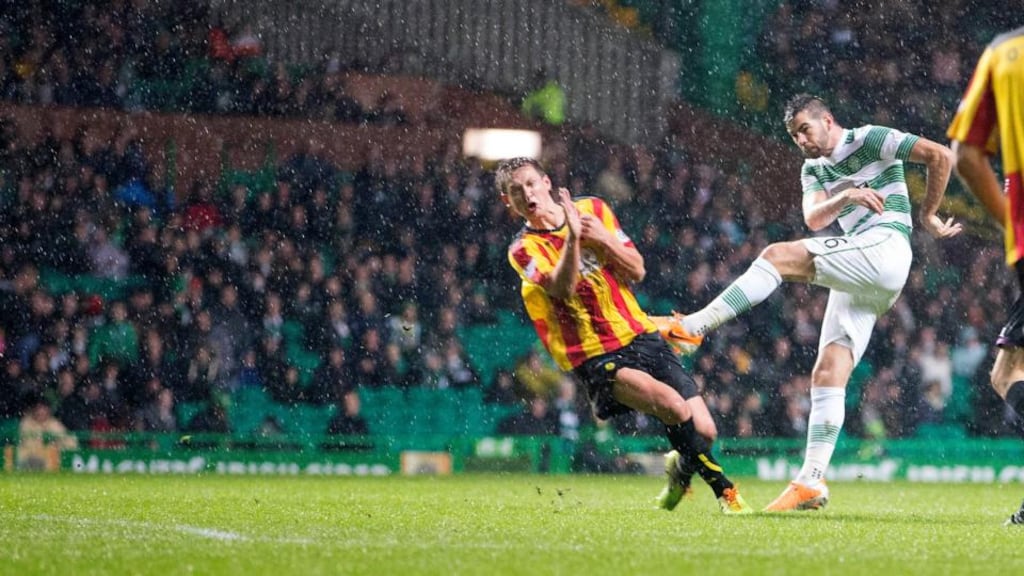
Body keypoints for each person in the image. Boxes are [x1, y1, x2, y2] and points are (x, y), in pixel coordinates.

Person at [655, 94, 961, 511]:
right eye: (793, 134)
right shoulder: (812, 169)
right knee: (828, 371)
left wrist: (928, 215)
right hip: (866, 272)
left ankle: (693, 328)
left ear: (828, 120)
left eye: (805, 129)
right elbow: (815, 219)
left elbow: (939, 155)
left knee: (775, 257)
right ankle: (811, 481)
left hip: (886, 247)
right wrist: (847, 196)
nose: (800, 139)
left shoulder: (870, 139)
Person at [494, 156, 751, 514]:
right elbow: (564, 288)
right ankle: (726, 492)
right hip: (595, 354)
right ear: (509, 201)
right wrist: (572, 238)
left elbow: (638, 269)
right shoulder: (523, 250)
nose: (527, 194)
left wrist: (601, 238)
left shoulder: (595, 209)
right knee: (674, 407)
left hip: (639, 333)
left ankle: (679, 473)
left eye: (531, 184)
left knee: (705, 432)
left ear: (547, 182)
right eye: (516, 191)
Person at [946, 26, 1024, 526]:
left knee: (1006, 374)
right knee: (1004, 370)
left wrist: (1009, 222)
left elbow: (964, 154)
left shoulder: (1005, 53)